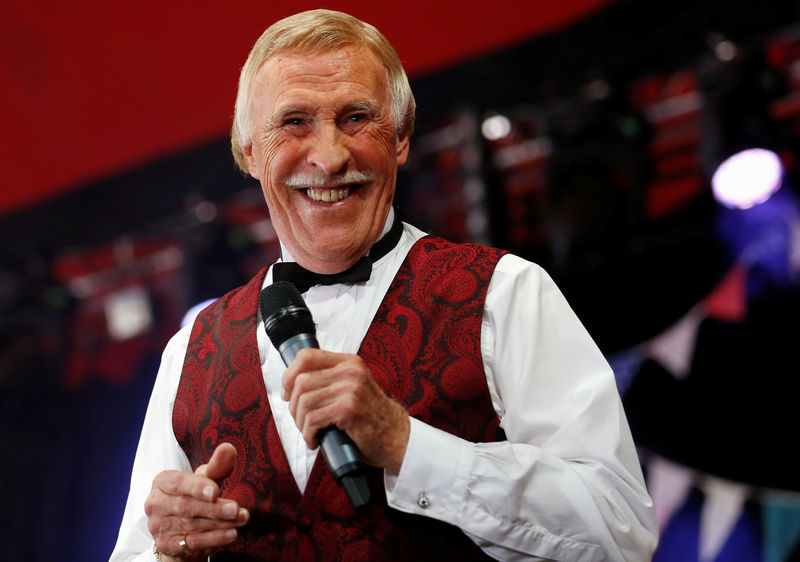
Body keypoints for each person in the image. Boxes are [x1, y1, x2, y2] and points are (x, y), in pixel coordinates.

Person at [111, 9, 658, 561]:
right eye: (295, 121)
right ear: (249, 154)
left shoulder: (503, 292)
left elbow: (619, 532)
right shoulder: (191, 352)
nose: (328, 157)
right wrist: (170, 552)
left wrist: (406, 445)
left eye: (354, 118)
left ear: (399, 139)